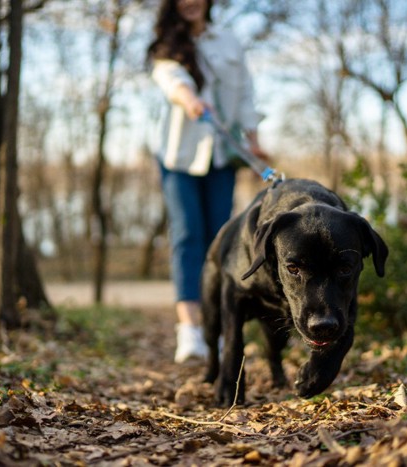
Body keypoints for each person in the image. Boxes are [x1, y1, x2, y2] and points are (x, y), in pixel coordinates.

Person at [146, 0, 268, 363]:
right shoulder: (165, 45)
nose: (190, 3)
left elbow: (245, 93)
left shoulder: (229, 41)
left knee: (221, 240)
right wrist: (188, 99)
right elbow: (172, 79)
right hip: (178, 156)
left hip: (223, 156)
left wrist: (254, 139)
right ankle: (189, 331)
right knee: (187, 235)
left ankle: (216, 329)